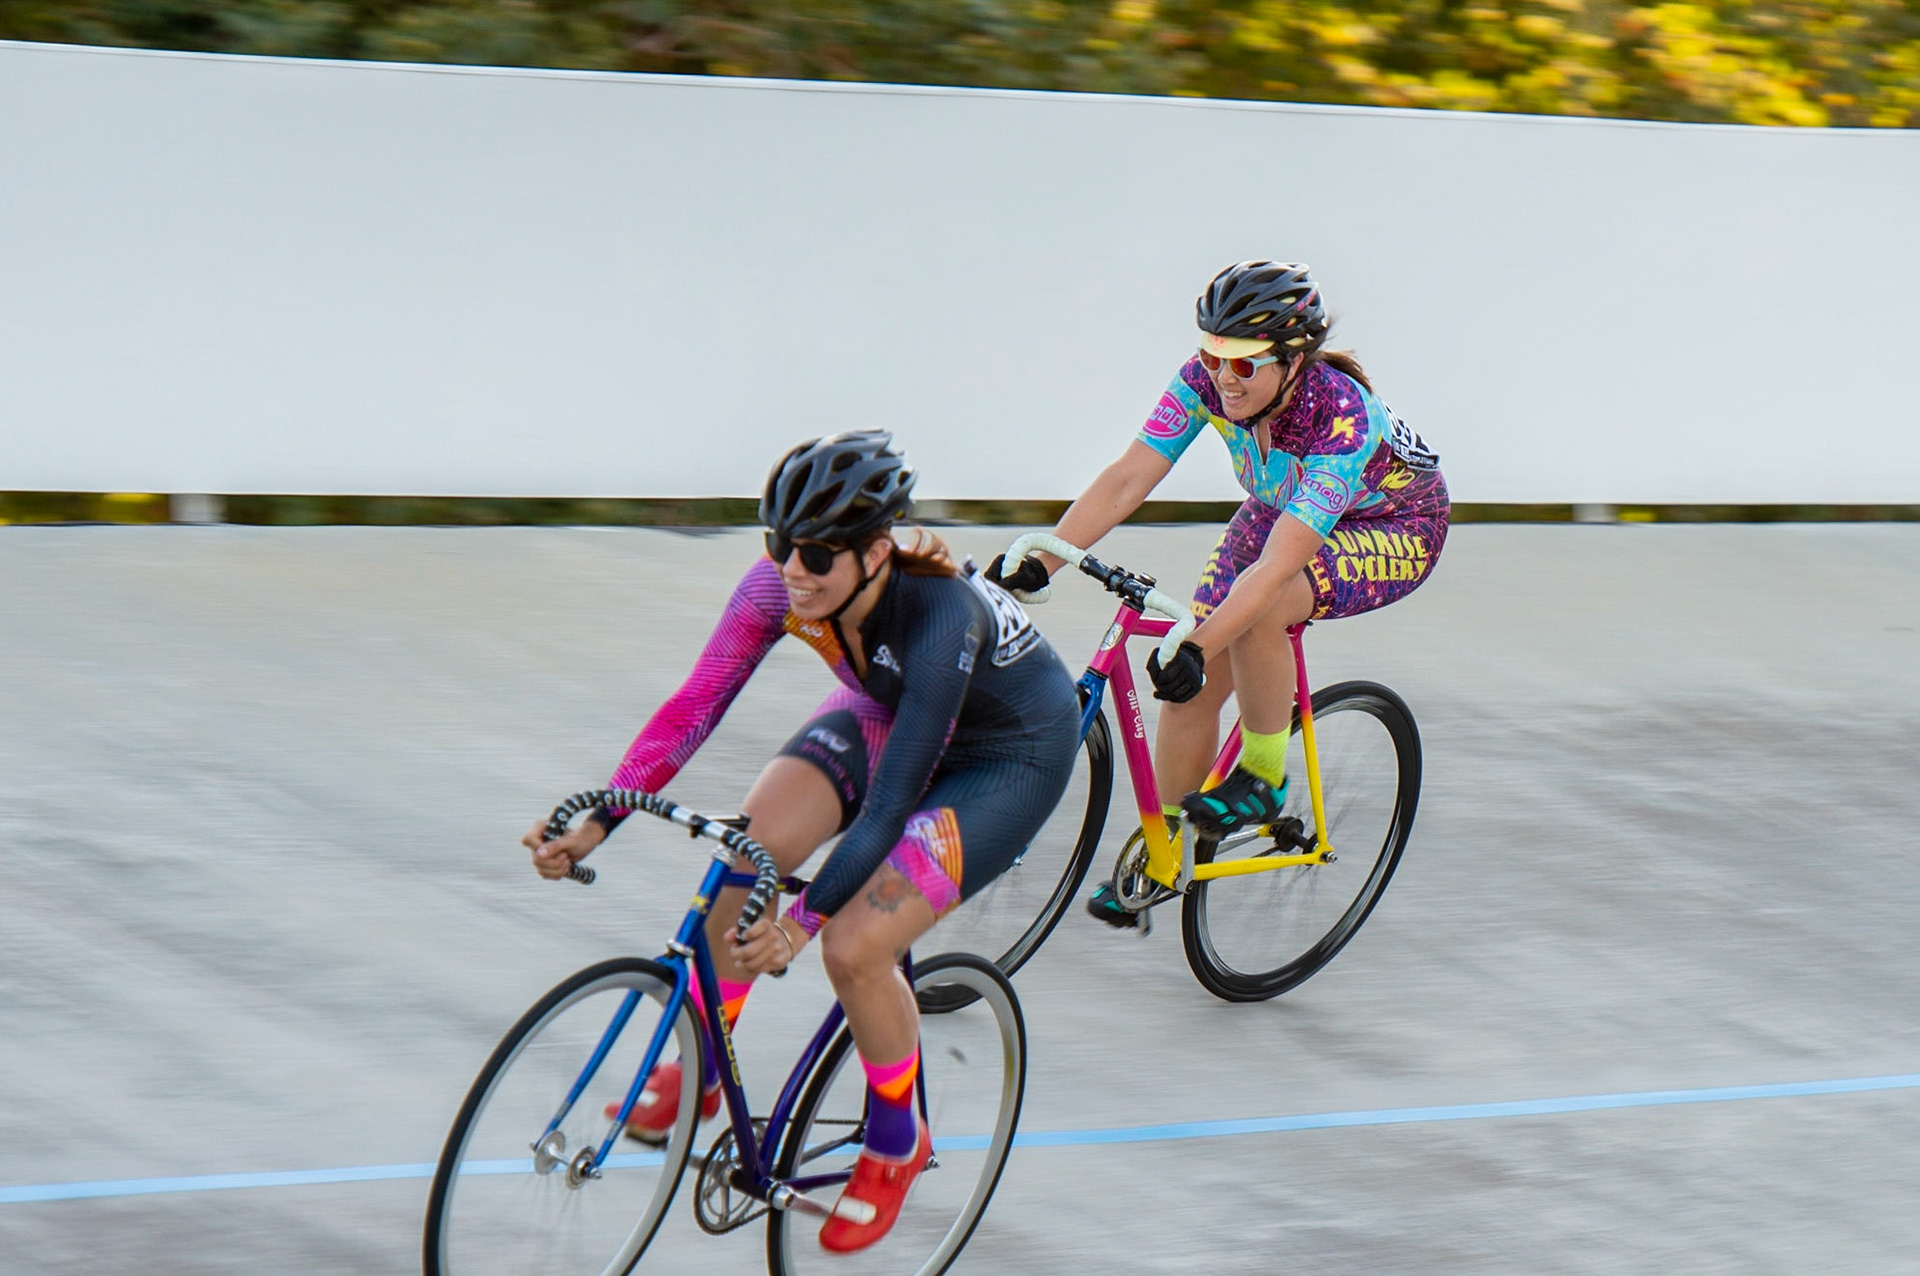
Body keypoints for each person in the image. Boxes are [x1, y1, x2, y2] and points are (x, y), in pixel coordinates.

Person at [522, 430, 1081, 1252]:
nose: (793, 569)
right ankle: (701, 1068)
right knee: (745, 857)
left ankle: (897, 1139)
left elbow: (889, 807)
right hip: (889, 713)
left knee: (855, 947)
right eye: (779, 544)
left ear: (875, 552)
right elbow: (693, 707)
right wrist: (597, 822)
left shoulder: (940, 620)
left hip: (1008, 757)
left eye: (816, 554)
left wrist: (801, 924)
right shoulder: (778, 588)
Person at [987, 260, 1449, 927]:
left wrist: (1201, 645)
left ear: (1293, 362)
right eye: (1212, 355)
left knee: (1261, 609)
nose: (1223, 377)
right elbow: (1128, 478)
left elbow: (1275, 570)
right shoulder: (1205, 380)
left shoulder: (1343, 420)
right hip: (1284, 506)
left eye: (1244, 364)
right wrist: (1045, 560)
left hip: (1395, 525)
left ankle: (1263, 777)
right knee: (1189, 684)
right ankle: (1164, 858)